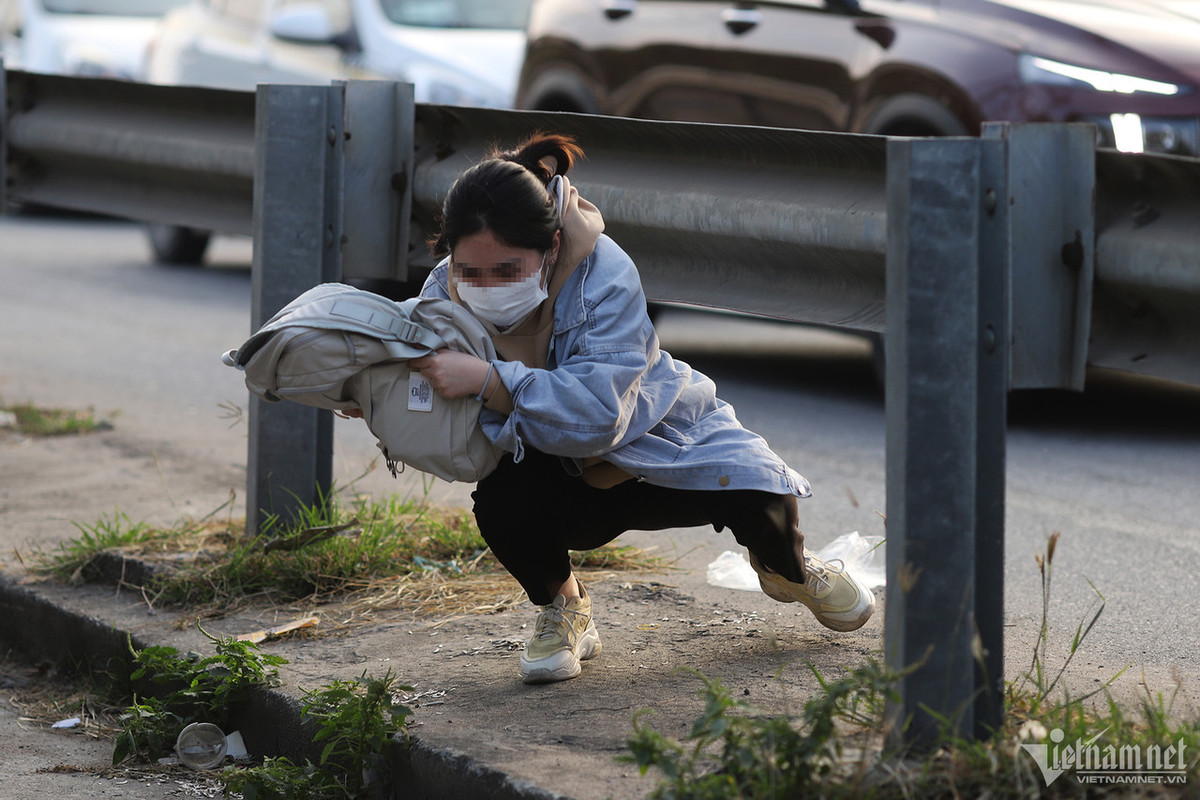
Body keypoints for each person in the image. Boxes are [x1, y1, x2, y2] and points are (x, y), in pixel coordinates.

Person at [406, 132, 875, 685]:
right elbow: (398, 359)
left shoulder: (605, 274)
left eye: (507, 270)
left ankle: (788, 568)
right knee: (501, 501)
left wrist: (489, 379)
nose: (485, 287)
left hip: (660, 441)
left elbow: (601, 414)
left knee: (763, 491)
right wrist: (371, 394)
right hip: (555, 473)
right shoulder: (442, 291)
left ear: (551, 247)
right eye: (470, 271)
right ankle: (566, 608)